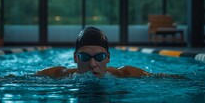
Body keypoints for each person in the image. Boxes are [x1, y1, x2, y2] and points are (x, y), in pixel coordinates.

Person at [36, 26, 180, 79]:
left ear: (108, 58)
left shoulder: (126, 73)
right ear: (75, 57)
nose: (92, 64)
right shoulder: (59, 74)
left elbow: (162, 78)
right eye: (85, 57)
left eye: (99, 57)